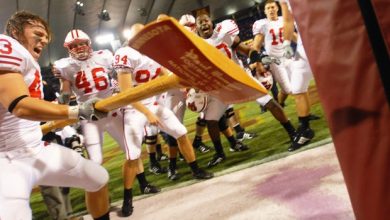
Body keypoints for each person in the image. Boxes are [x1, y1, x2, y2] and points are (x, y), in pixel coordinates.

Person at [0, 11, 110, 220]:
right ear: (15, 32)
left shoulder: (26, 64)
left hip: (36, 149)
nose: (43, 40)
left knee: (98, 178)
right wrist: (76, 111)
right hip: (6, 160)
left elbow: (30, 107)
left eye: (45, 37)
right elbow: (19, 106)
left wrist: (59, 106)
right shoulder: (7, 46)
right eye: (37, 34)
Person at [53, 29, 162, 215]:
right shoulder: (65, 66)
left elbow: (119, 73)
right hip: (90, 118)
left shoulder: (105, 56)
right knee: (96, 161)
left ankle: (143, 184)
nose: (79, 47)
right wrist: (62, 83)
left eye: (81, 43)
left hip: (112, 111)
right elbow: (64, 95)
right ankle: (103, 197)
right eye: (74, 45)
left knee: (132, 151)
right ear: (68, 48)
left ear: (89, 43)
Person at [113, 23, 213, 215]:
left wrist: (187, 85)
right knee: (133, 156)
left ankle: (195, 169)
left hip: (153, 105)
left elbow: (166, 77)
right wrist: (147, 113)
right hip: (132, 109)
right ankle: (128, 198)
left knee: (181, 133)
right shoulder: (125, 53)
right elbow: (126, 94)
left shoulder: (155, 52)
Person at [252, 0, 315, 151]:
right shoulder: (262, 24)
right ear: (265, 11)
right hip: (274, 59)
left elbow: (292, 34)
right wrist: (256, 60)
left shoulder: (283, 19)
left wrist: (301, 43)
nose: (271, 9)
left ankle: (301, 117)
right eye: (268, 8)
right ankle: (283, 108)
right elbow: (256, 44)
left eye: (273, 7)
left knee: (298, 87)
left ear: (277, 8)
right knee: (290, 89)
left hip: (289, 56)